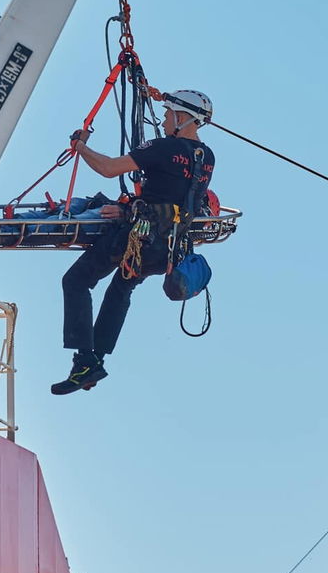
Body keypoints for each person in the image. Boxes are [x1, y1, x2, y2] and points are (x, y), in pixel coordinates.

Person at [52, 89, 215, 394]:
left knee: (76, 281)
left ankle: (86, 361)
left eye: (168, 114)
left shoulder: (164, 147)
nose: (164, 119)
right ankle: (93, 362)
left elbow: (108, 168)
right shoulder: (207, 158)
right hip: (167, 248)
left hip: (136, 238)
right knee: (120, 289)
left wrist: (80, 147)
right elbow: (178, 196)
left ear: (182, 118)